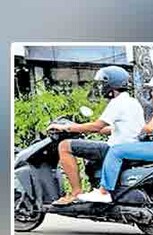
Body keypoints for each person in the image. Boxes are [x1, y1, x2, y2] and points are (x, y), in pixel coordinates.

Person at [78, 73, 153, 204]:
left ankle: (104, 191)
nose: (151, 95)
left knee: (116, 151)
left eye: (152, 91)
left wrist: (135, 129)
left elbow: (150, 128)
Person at [46, 65, 144, 206]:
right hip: (129, 146)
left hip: (115, 148)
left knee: (64, 146)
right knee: (90, 159)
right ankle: (95, 189)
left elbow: (97, 126)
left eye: (102, 84)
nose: (100, 87)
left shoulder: (117, 103)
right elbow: (118, 128)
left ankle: (75, 193)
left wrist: (67, 127)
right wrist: (88, 129)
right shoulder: (133, 102)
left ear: (110, 85)